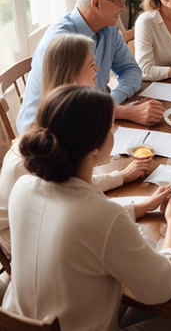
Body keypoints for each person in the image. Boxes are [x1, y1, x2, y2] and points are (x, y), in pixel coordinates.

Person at [3, 85, 171, 330]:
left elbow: (80, 227)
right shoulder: (103, 217)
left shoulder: (24, 187)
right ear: (95, 146)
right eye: (111, 126)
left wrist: (137, 207)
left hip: (18, 320)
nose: (114, 130)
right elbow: (163, 286)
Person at [0, 35, 162, 260]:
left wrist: (122, 178)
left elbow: (75, 189)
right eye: (90, 64)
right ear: (72, 75)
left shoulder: (62, 123)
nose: (97, 68)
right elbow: (79, 214)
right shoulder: (39, 153)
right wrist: (134, 209)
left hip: (53, 225)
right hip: (25, 246)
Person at [17, 0, 165, 134]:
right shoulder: (63, 42)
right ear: (96, 3)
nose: (123, 8)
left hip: (90, 121)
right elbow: (69, 109)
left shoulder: (108, 28)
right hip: (45, 135)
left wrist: (109, 103)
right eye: (119, 2)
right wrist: (124, 112)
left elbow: (131, 71)